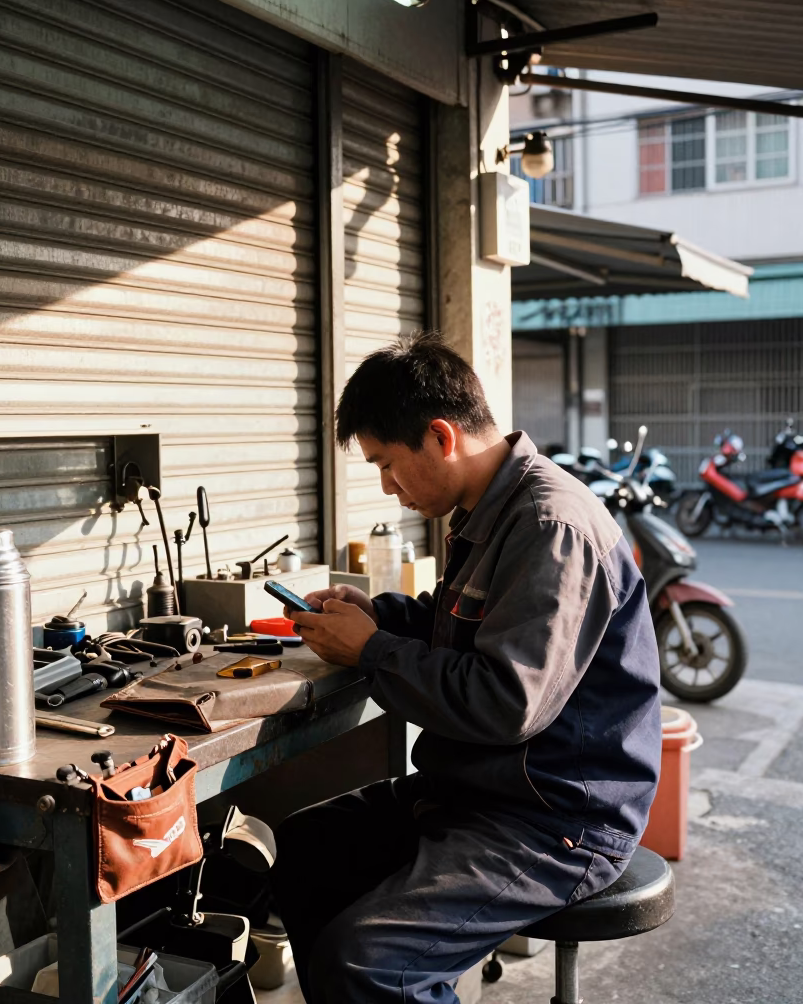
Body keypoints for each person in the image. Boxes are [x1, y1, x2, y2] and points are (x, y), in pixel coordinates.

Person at [270, 332, 661, 1004]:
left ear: (442, 437)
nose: (389, 490)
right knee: (303, 853)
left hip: (556, 820)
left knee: (367, 961)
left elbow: (506, 701)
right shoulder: (490, 510)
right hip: (481, 793)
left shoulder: (549, 525)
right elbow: (460, 627)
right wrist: (380, 616)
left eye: (388, 465)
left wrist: (371, 650)